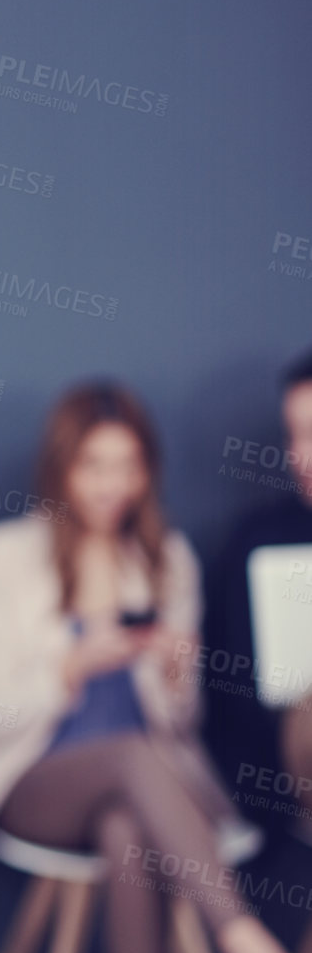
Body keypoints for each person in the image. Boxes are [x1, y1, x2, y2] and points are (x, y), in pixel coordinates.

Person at [0, 380, 312, 953]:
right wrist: (70, 668)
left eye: (129, 466)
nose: (113, 485)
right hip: (35, 778)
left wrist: (173, 673)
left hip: (149, 786)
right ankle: (250, 952)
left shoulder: (167, 560)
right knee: (131, 762)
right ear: (61, 469)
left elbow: (183, 724)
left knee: (126, 823)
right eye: (93, 465)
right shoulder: (2, 556)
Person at [204, 347, 312, 843]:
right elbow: (233, 693)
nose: (300, 457)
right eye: (294, 436)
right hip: (279, 759)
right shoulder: (257, 538)